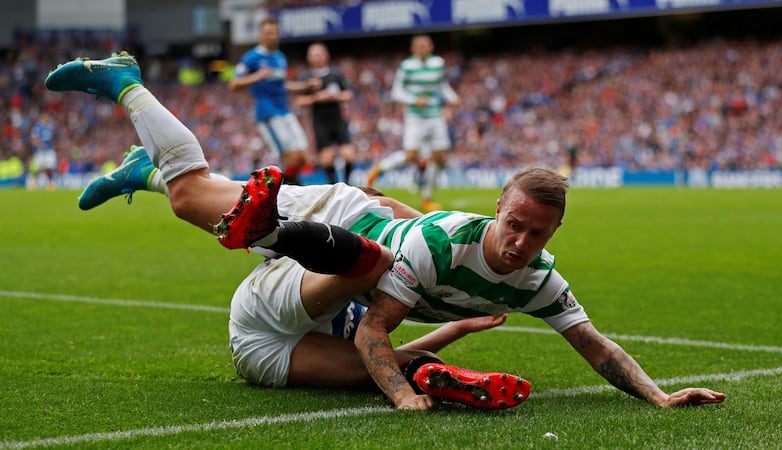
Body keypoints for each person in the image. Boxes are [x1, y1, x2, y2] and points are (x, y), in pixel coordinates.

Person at [47, 52, 726, 412]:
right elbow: (384, 309)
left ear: (552, 235)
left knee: (195, 198)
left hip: (317, 298)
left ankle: (149, 174)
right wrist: (406, 399)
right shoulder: (442, 244)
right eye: (514, 225)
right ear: (497, 210)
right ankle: (128, 84)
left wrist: (660, 397)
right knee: (202, 198)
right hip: (339, 225)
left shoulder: (539, 280)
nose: (521, 243)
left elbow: (594, 344)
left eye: (536, 235)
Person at [366, 34, 461, 212]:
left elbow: (441, 86)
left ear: (431, 47)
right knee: (411, 156)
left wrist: (453, 98)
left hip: (435, 115)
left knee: (439, 157)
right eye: (420, 46)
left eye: (427, 45)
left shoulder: (438, 63)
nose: (424, 48)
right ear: (414, 49)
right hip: (415, 117)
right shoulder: (407, 66)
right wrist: (413, 99)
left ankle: (426, 199)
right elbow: (396, 91)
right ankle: (379, 167)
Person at [228, 16, 315, 185]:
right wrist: (258, 76)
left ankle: (285, 189)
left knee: (304, 156)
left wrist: (304, 86)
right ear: (261, 35)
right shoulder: (251, 57)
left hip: (285, 110)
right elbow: (234, 84)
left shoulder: (279, 57)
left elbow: (282, 86)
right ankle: (291, 194)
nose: (272, 36)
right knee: (290, 156)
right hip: (268, 112)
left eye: (274, 33)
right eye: (268, 33)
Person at [294, 42, 357, 184]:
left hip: (338, 120)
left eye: (319, 54)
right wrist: (317, 98)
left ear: (326, 56)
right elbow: (299, 101)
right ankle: (333, 187)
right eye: (314, 55)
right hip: (320, 122)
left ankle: (348, 186)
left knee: (348, 154)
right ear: (309, 58)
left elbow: (348, 94)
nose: (317, 58)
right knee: (326, 158)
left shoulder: (336, 74)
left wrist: (335, 96)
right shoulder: (306, 78)